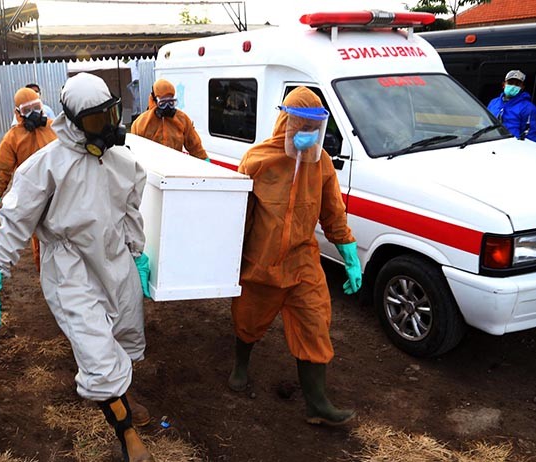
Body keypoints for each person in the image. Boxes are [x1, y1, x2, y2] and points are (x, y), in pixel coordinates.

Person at [0, 72, 155, 462]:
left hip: (115, 260)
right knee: (94, 347)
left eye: (109, 116)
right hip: (71, 268)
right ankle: (126, 436)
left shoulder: (122, 161)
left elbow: (130, 213)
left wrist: (137, 255)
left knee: (125, 334)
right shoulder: (45, 167)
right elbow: (15, 222)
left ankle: (122, 395)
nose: (105, 129)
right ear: (72, 121)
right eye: (94, 122)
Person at [227, 87, 362, 427]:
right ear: (285, 121)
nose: (307, 134)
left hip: (303, 262)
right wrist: (227, 256)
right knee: (249, 320)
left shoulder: (323, 164)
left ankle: (317, 404)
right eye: (300, 125)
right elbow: (238, 215)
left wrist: (350, 256)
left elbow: (334, 212)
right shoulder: (258, 159)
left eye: (313, 128)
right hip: (262, 262)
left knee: (315, 325)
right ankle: (241, 364)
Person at [0, 86, 58, 272]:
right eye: (27, 110)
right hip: (33, 200)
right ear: (18, 113)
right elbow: (1, 173)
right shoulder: (12, 139)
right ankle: (48, 281)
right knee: (42, 245)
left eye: (36, 107)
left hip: (61, 192)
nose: (33, 113)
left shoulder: (55, 128)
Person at [130, 78, 210, 161]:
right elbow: (134, 150)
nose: (167, 107)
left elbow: (195, 147)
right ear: (154, 100)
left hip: (174, 167)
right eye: (163, 103)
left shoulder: (182, 120)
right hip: (152, 168)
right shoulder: (140, 123)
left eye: (171, 102)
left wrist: (205, 161)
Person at [487, 70, 536, 141]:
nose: (513, 86)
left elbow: (529, 135)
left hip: (512, 146)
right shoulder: (493, 103)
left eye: (517, 84)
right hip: (490, 143)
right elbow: (484, 123)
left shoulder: (528, 108)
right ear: (503, 85)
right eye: (510, 83)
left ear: (522, 87)